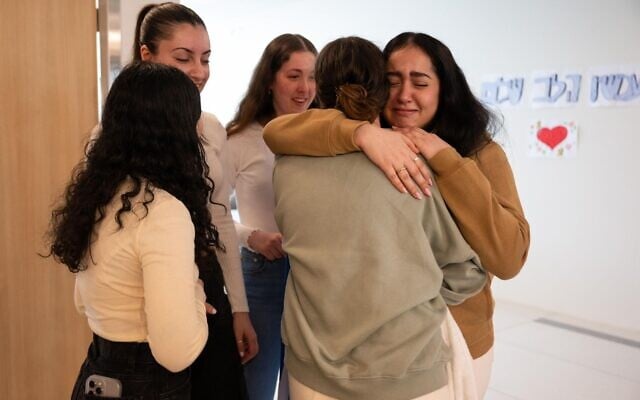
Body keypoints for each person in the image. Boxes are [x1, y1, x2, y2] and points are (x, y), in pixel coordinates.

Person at [263, 32, 530, 398]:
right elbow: (279, 132)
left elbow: (509, 257)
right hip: (370, 347)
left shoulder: (479, 152)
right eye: (392, 82)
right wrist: (361, 134)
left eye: (420, 83)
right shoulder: (372, 141)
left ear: (445, 89)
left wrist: (446, 161)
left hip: (459, 331)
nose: (404, 95)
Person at [46, 61, 211, 398]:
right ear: (176, 131)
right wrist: (194, 294)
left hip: (97, 372)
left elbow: (85, 304)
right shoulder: (163, 212)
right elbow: (176, 353)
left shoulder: (100, 195)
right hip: (147, 384)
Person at [133, 3, 256, 398]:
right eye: (183, 58)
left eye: (205, 59)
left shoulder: (213, 129)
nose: (199, 71)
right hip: (147, 300)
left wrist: (239, 307)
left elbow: (218, 219)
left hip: (208, 286)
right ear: (146, 57)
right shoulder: (116, 135)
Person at [225, 33, 317, 400]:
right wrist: (252, 236)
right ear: (269, 81)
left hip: (314, 276)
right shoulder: (241, 139)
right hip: (263, 274)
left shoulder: (324, 137)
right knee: (256, 389)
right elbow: (209, 214)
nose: (305, 87)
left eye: (312, 76)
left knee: (305, 390)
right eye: (293, 76)